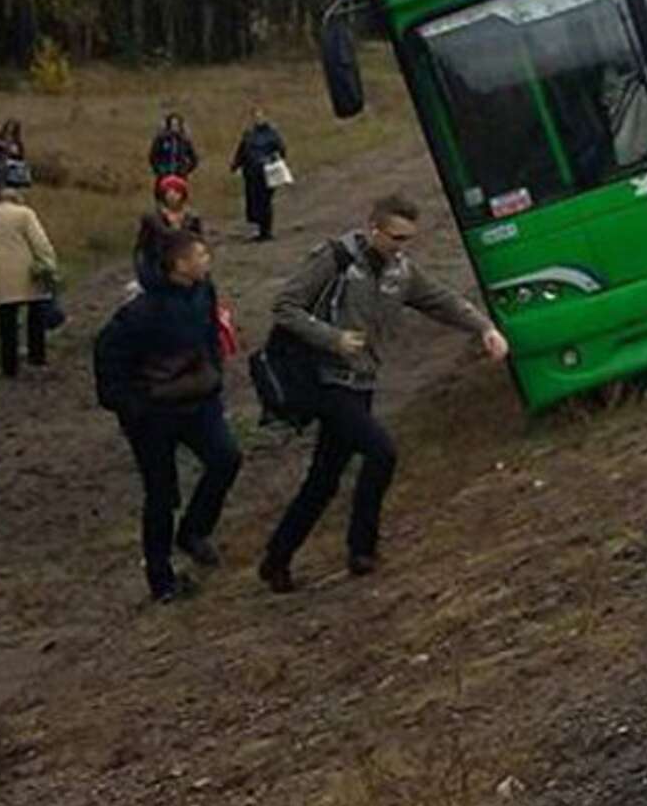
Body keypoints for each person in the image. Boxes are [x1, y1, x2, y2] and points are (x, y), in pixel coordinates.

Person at [259, 195, 508, 592]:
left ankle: (277, 557)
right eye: (394, 237)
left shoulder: (401, 272)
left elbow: (440, 300)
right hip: (326, 379)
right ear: (372, 228)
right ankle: (362, 548)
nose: (400, 246)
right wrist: (333, 338)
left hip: (362, 381)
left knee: (324, 478)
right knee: (381, 452)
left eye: (407, 238)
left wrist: (484, 328)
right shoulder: (336, 258)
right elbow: (286, 306)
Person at [94, 229, 241, 604]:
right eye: (200, 255)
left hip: (200, 403)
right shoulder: (140, 312)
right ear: (179, 265)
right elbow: (108, 360)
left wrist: (213, 375)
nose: (207, 260)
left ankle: (193, 531)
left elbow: (210, 335)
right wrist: (131, 406)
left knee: (226, 458)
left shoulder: (202, 292)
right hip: (154, 416)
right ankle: (161, 580)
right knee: (161, 495)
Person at [0, 188, 60, 377]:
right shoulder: (24, 214)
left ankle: (9, 366)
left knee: (7, 322)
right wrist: (49, 264)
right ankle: (36, 357)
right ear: (16, 198)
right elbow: (39, 242)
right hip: (27, 273)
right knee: (36, 314)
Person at [134, 175, 206, 288]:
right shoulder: (152, 218)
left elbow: (199, 240)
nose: (172, 195)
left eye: (176, 191)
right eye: (168, 191)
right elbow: (143, 245)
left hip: (185, 266)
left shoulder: (192, 218)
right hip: (158, 266)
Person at [230, 105, 288, 242]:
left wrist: (273, 160)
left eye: (261, 116)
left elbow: (281, 150)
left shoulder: (272, 134)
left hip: (267, 173)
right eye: (256, 117)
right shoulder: (249, 135)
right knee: (253, 202)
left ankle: (266, 230)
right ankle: (258, 229)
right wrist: (236, 164)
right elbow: (242, 151)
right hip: (251, 173)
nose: (258, 119)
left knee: (265, 202)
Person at [149, 113, 198, 181]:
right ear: (168, 126)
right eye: (172, 125)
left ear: (180, 126)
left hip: (180, 176)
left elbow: (194, 159)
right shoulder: (161, 140)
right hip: (164, 176)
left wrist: (185, 170)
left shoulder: (185, 141)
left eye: (176, 125)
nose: (174, 128)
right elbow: (153, 157)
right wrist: (159, 170)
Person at [0, 118, 26, 199]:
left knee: (14, 192)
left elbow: (21, 158)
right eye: (8, 128)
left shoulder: (17, 142)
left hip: (13, 167)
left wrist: (15, 153)